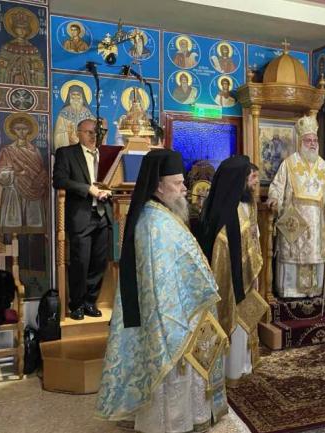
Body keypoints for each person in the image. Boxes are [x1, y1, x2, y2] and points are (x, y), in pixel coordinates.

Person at [96, 149, 228, 433]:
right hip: (171, 317)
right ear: (158, 186)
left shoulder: (163, 214)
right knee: (172, 374)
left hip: (184, 308)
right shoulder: (154, 223)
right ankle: (171, 424)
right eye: (178, 183)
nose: (185, 189)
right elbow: (161, 279)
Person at [196, 156, 268, 386]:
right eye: (250, 177)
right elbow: (221, 252)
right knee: (231, 320)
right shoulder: (226, 212)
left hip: (246, 274)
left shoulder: (247, 204)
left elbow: (253, 239)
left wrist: (253, 272)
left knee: (245, 324)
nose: (253, 182)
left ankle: (243, 364)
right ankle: (230, 369)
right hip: (229, 279)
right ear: (238, 180)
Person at [266, 115, 325, 298]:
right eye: (308, 140)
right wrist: (274, 198)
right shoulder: (289, 164)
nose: (312, 144)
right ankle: (290, 292)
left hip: (316, 225)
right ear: (301, 142)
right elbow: (277, 186)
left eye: (315, 140)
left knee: (314, 256)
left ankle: (313, 291)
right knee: (292, 254)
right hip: (294, 220)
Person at [52, 119, 112, 320]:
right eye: (89, 132)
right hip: (81, 216)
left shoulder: (107, 155)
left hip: (104, 214)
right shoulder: (67, 153)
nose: (93, 136)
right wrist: (88, 189)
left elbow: (114, 179)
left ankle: (90, 303)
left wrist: (110, 190)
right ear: (78, 133)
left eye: (97, 133)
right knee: (80, 262)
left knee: (99, 263)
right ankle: (76, 304)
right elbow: (59, 180)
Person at [0, 113, 49, 233]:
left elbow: (42, 170)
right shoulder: (7, 151)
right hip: (14, 189)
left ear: (29, 130)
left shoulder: (35, 151)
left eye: (24, 129)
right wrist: (16, 173)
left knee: (34, 227)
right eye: (18, 129)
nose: (21, 132)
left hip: (34, 188)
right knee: (13, 227)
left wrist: (40, 179)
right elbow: (1, 173)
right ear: (13, 130)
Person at [53, 84, 96, 149]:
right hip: (69, 147)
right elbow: (58, 133)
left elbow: (94, 128)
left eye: (78, 94)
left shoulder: (86, 112)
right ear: (69, 96)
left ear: (82, 96)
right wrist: (68, 133)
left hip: (84, 147)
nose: (76, 97)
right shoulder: (64, 112)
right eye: (73, 94)